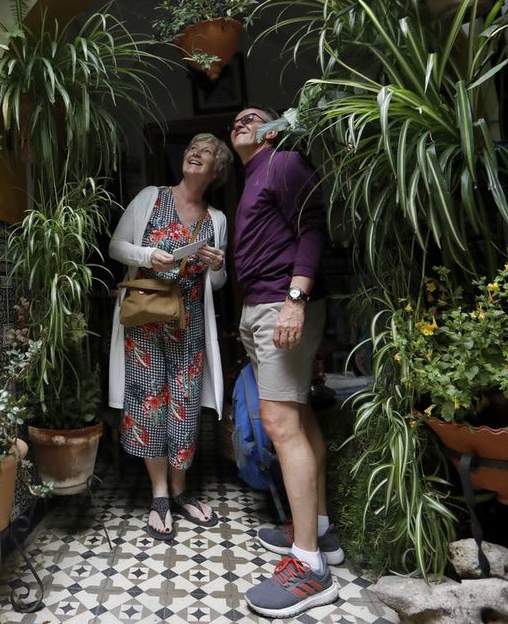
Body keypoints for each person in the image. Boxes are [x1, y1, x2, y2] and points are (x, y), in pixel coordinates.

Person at [228, 106, 341, 617]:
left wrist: (295, 299)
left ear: (274, 128)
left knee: (279, 422)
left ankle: (309, 567)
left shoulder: (282, 161)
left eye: (252, 116)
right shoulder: (254, 177)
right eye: (235, 120)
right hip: (262, 305)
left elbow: (313, 228)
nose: (240, 121)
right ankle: (315, 529)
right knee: (297, 414)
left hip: (282, 302)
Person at [108, 133, 232, 541]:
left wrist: (216, 266)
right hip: (146, 319)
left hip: (189, 321)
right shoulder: (151, 197)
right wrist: (149, 256)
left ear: (217, 170)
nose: (195, 151)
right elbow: (116, 246)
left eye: (207, 150)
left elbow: (217, 285)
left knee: (184, 401)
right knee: (148, 401)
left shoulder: (216, 220)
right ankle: (159, 493)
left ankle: (180, 491)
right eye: (192, 145)